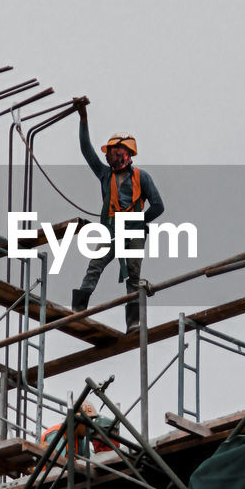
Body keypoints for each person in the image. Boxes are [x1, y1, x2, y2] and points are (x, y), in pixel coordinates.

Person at [71, 99, 164, 330]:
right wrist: (83, 118)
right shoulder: (105, 175)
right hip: (111, 230)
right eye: (111, 152)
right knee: (95, 266)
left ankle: (133, 322)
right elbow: (86, 150)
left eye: (116, 152)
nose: (112, 156)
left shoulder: (141, 177)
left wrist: (138, 220)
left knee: (133, 275)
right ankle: (78, 309)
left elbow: (158, 206)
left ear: (126, 154)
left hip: (132, 231)